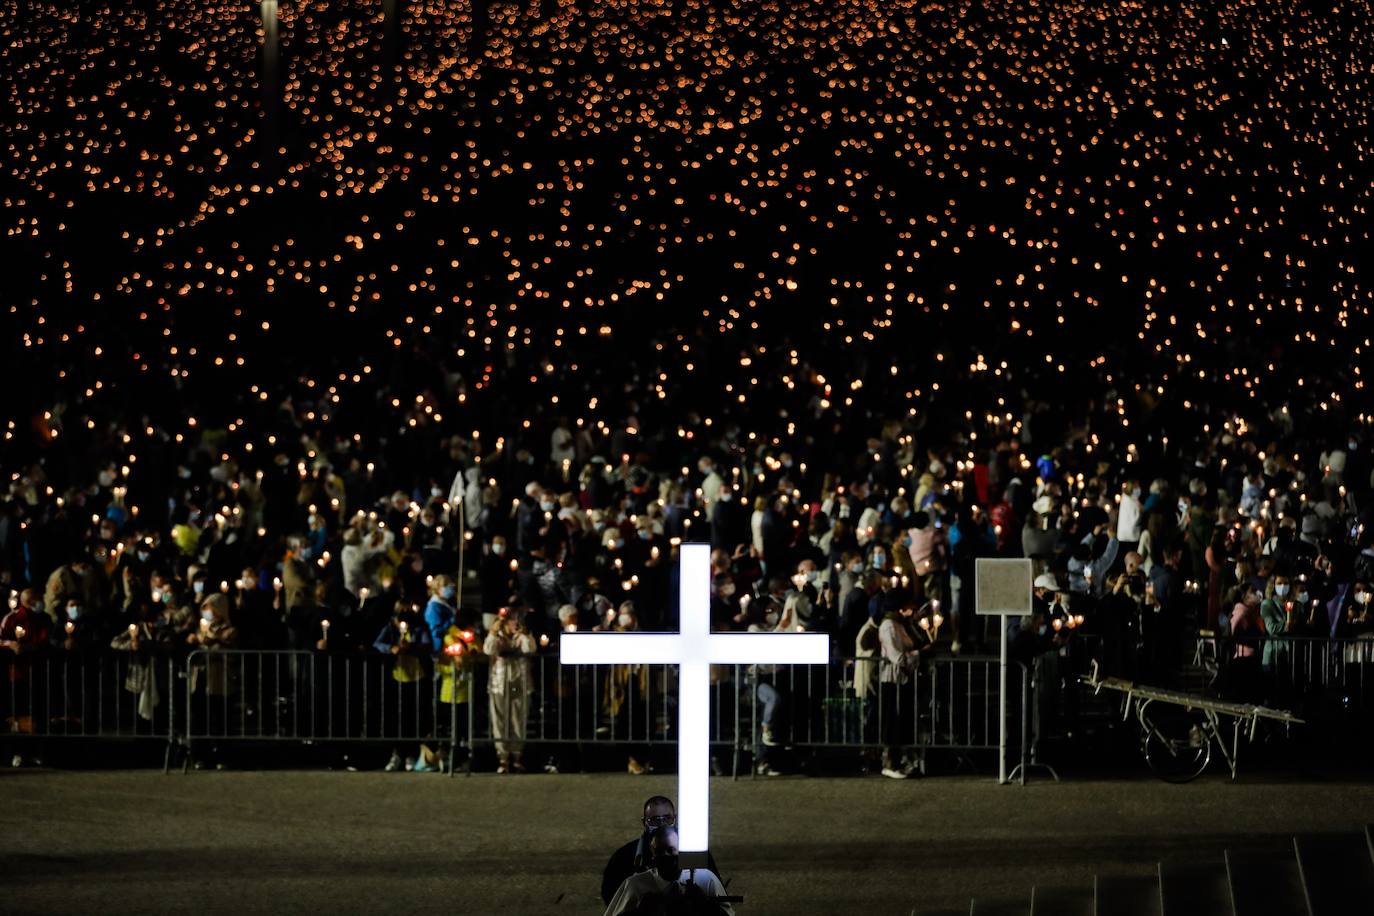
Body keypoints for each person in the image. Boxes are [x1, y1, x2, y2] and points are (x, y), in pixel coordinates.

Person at [601, 796, 724, 906]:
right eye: (654, 820)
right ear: (644, 823)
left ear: (675, 819)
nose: (662, 824)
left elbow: (718, 897)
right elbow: (611, 897)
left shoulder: (696, 853)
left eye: (667, 818)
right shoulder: (623, 857)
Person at [604, 826, 732, 916]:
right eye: (659, 852)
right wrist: (640, 912)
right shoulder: (635, 885)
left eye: (671, 850)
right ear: (652, 856)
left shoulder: (705, 879)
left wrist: (705, 905)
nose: (666, 856)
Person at [483, 605, 536, 773]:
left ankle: (517, 756)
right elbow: (488, 649)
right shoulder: (497, 636)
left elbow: (530, 648)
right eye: (511, 620)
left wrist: (524, 634)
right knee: (499, 721)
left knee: (518, 720)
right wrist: (492, 632)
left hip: (520, 684)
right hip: (499, 684)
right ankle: (503, 757)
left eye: (516, 620)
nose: (514, 623)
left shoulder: (523, 636)